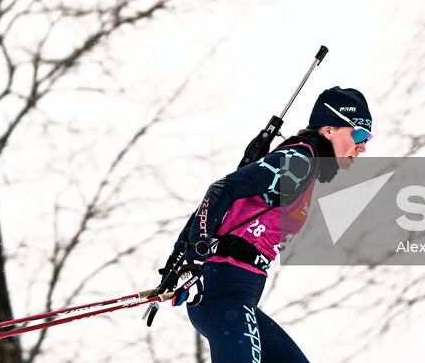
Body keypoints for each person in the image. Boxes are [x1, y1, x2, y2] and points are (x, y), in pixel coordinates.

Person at [159, 86, 373, 362]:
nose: (363, 146)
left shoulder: (306, 167)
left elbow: (223, 200)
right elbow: (221, 190)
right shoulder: (300, 161)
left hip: (236, 295)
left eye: (367, 138)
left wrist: (179, 258)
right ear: (329, 130)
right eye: (359, 134)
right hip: (224, 291)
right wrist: (191, 259)